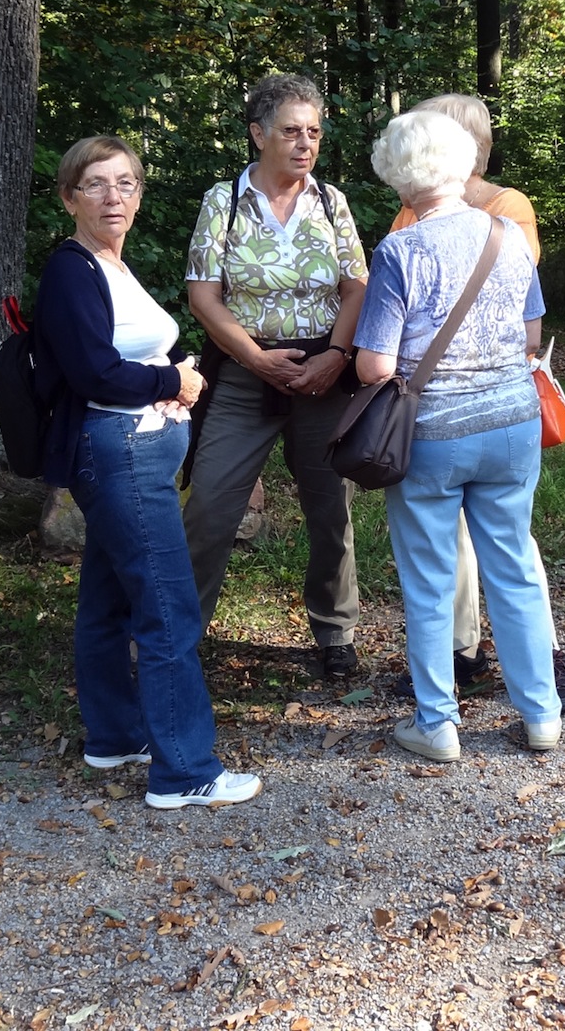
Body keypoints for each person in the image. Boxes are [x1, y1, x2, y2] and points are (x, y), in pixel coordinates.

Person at [33, 135, 261, 810]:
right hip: (120, 455)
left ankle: (116, 735)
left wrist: (169, 378)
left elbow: (118, 359)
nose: (114, 197)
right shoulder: (72, 270)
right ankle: (185, 771)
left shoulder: (111, 265)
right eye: (96, 184)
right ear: (69, 197)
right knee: (167, 608)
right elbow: (94, 372)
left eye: (126, 183)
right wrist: (173, 381)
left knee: (107, 600)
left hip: (132, 451)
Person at [355, 110, 561, 762]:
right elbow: (530, 336)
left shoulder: (399, 251)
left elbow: (376, 366)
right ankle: (542, 714)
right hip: (513, 425)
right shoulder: (508, 235)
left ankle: (437, 724)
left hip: (433, 436)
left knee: (430, 579)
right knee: (515, 567)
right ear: (463, 162)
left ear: (396, 176)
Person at [388, 93, 565, 715]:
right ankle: (491, 673)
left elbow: (385, 346)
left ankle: (464, 701)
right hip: (501, 415)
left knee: (481, 554)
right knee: (485, 549)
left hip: (445, 416)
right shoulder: (425, 215)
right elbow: (527, 325)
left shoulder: (499, 210)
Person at [183, 74, 370, 678]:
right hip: (244, 375)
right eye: (291, 131)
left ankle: (336, 632)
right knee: (210, 505)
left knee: (331, 510)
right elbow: (204, 296)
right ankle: (180, 635)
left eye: (313, 131)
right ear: (258, 134)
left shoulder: (331, 202)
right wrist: (254, 358)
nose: (305, 142)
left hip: (323, 375)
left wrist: (336, 356)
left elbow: (356, 286)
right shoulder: (224, 202)